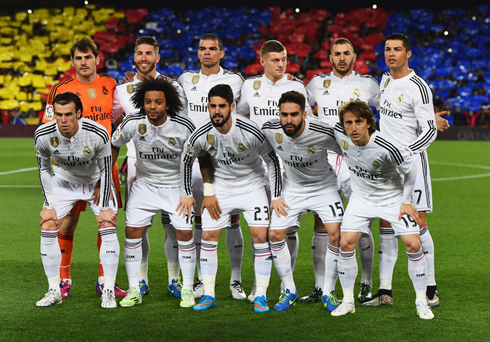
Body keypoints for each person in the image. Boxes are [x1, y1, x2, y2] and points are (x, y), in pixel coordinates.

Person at [179, 84, 282, 312]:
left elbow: (272, 160)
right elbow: (186, 160)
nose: (217, 111)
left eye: (222, 106)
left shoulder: (250, 130)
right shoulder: (201, 133)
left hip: (252, 186)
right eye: (213, 106)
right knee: (208, 236)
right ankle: (209, 295)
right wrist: (189, 194)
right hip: (221, 189)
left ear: (232, 107)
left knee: (260, 237)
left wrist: (275, 196)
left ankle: (261, 296)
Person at [332, 99, 434, 319]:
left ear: (369, 123)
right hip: (361, 199)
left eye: (358, 121)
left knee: (413, 244)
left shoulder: (387, 145)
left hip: (392, 199)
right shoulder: (340, 136)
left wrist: (406, 201)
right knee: (346, 242)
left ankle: (421, 301)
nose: (353, 127)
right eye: (348, 123)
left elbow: (411, 170)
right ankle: (348, 300)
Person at [41, 37, 125, 299]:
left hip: (103, 167)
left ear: (97, 58)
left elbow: (118, 122)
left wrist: (113, 154)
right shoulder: (60, 89)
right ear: (72, 61)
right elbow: (48, 123)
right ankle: (63, 280)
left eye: (88, 57)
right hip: (71, 168)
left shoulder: (111, 85)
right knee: (66, 224)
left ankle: (104, 281)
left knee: (107, 221)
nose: (84, 62)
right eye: (78, 58)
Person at [363, 33, 439, 308]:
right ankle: (385, 291)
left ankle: (431, 287)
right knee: (386, 222)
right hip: (385, 165)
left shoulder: (418, 86)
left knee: (417, 222)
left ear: (408, 54)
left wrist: (408, 152)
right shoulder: (384, 81)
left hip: (411, 164)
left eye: (397, 49)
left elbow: (429, 130)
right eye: (387, 49)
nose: (391, 53)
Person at [304, 38, 380, 303]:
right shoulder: (315, 83)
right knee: (320, 221)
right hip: (324, 160)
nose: (342, 58)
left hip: (356, 160)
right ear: (330, 56)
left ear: (355, 56)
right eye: (337, 53)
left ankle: (366, 283)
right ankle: (320, 286)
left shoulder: (368, 84)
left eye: (346, 53)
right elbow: (302, 111)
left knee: (361, 221)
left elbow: (389, 114)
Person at [112, 77, 197, 308]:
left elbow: (199, 156)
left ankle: (187, 289)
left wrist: (189, 190)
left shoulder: (184, 124)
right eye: (148, 101)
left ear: (167, 104)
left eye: (158, 102)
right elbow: (114, 143)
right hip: (145, 184)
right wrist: (110, 175)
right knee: (132, 232)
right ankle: (134, 289)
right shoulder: (133, 121)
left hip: (175, 186)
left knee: (184, 235)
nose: (152, 106)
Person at [236, 40, 310, 301]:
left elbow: (307, 121)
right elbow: (240, 115)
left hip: (289, 166)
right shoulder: (249, 86)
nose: (281, 64)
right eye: (276, 60)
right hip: (257, 166)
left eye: (284, 59)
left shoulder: (296, 85)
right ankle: (260, 283)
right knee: (261, 228)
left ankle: (285, 283)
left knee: (288, 227)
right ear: (262, 60)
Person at [34, 92, 120, 308]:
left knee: (107, 223)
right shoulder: (43, 134)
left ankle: (107, 289)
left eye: (69, 114)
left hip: (94, 183)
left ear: (79, 113)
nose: (63, 120)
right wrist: (49, 205)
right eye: (59, 114)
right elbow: (44, 170)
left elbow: (107, 168)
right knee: (48, 223)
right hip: (64, 183)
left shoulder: (98, 133)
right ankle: (54, 289)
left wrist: (105, 204)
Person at [177, 34, 246, 299]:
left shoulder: (236, 80)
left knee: (232, 217)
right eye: (203, 49)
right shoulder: (185, 79)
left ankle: (236, 280)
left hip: (225, 158)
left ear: (222, 53)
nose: (207, 53)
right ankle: (198, 280)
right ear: (198, 52)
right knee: (198, 218)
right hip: (194, 158)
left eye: (213, 49)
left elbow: (244, 112)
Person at [262, 90, 344, 311]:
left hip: (324, 188)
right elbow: (268, 158)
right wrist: (277, 194)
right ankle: (289, 290)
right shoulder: (269, 130)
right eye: (284, 114)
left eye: (294, 115)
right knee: (275, 235)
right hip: (292, 188)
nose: (289, 120)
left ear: (304, 114)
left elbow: (348, 153)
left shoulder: (323, 131)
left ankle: (328, 291)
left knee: (336, 236)